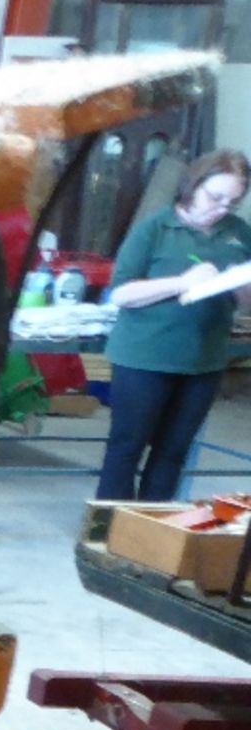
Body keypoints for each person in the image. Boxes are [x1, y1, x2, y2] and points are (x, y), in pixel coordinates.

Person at [98, 149, 251, 500]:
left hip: (204, 360)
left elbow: (245, 304)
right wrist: (183, 282)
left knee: (172, 452)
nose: (221, 208)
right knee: (126, 448)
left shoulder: (239, 234)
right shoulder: (154, 228)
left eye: (232, 201)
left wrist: (242, 287)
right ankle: (110, 532)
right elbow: (121, 294)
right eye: (215, 197)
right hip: (144, 358)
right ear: (193, 186)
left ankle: (155, 533)